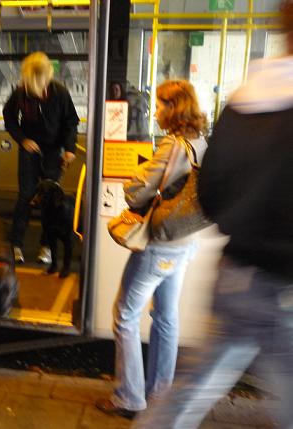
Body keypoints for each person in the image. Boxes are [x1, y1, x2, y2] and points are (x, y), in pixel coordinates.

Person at [133, 3, 293, 428]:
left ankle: (140, 402)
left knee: (190, 389)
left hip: (236, 272)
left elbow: (212, 192)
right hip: (280, 281)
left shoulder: (248, 96)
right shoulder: (197, 134)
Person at [96, 80, 208, 419]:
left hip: (160, 245)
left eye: (160, 105)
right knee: (166, 317)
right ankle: (160, 395)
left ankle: (129, 396)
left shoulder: (173, 145)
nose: (155, 110)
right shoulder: (201, 141)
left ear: (173, 108)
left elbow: (136, 190)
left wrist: (137, 175)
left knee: (125, 316)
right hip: (186, 243)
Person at [3, 51, 79, 265]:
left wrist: (69, 149)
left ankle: (46, 245)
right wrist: (22, 139)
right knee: (26, 196)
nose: (37, 88)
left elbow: (70, 122)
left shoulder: (60, 93)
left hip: (54, 152)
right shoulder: (21, 92)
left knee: (52, 200)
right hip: (29, 151)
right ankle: (16, 244)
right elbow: (9, 119)